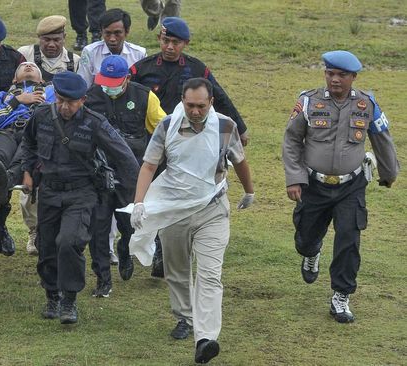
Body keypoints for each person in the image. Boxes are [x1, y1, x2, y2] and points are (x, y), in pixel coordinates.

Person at [127, 78, 254, 363]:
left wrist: (250, 191)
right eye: (190, 105)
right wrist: (139, 203)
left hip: (212, 209)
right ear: (182, 102)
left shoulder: (225, 126)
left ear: (211, 102)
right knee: (177, 268)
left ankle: (205, 338)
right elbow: (149, 165)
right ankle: (185, 317)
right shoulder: (167, 126)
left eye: (201, 106)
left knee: (209, 274)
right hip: (175, 208)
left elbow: (240, 160)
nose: (195, 111)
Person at [282, 50, 399, 324]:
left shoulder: (367, 104)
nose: (335, 79)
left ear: (353, 77)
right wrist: (294, 177)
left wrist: (389, 172)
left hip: (352, 185)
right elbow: (291, 140)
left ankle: (341, 296)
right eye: (330, 73)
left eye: (342, 75)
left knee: (349, 239)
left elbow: (382, 138)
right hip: (313, 185)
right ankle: (311, 253)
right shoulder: (308, 102)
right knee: (305, 237)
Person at [21, 71, 139, 324]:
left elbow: (124, 155)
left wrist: (137, 194)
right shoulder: (41, 115)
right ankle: (52, 295)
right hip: (50, 190)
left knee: (70, 241)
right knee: (47, 245)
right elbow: (28, 144)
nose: (64, 106)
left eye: (70, 102)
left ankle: (69, 300)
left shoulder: (95, 122)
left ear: (83, 100)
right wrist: (27, 171)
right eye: (60, 100)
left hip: (82, 192)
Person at [84, 55, 166, 296]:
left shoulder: (145, 97)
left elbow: (162, 129)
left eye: (114, 82)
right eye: (104, 82)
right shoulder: (90, 97)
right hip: (98, 173)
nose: (108, 87)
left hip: (131, 173)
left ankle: (125, 249)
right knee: (97, 230)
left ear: (127, 79)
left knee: (130, 225)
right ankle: (103, 280)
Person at [0, 62, 55, 257]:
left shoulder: (53, 91)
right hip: (6, 131)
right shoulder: (3, 96)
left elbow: (58, 116)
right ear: (14, 79)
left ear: (42, 78)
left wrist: (39, 104)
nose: (28, 65)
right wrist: (17, 101)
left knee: (22, 160)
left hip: (33, 134)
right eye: (23, 65)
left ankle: (5, 183)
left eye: (33, 66)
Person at [129, 17, 248, 144]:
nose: (169, 47)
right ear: (159, 38)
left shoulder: (197, 69)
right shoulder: (141, 68)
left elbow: (220, 97)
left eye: (175, 42)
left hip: (186, 135)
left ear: (186, 43)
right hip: (150, 136)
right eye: (165, 41)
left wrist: (240, 129)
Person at [77, 8, 146, 88]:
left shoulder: (139, 54)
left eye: (117, 33)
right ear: (101, 32)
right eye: (107, 33)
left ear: (126, 32)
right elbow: (83, 85)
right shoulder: (90, 52)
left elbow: (142, 89)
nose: (112, 39)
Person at [17, 15, 80, 82]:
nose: (51, 45)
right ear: (39, 37)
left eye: (56, 40)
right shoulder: (25, 54)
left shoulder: (75, 61)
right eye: (47, 40)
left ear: (64, 37)